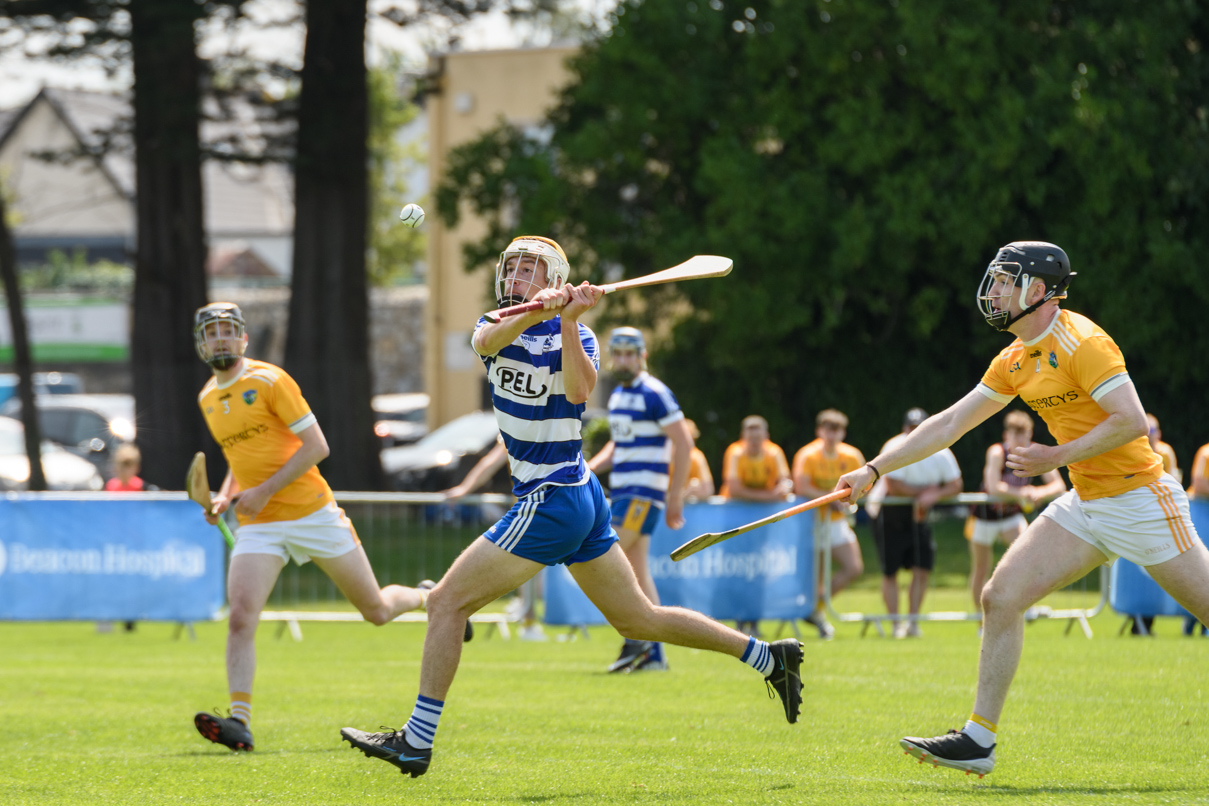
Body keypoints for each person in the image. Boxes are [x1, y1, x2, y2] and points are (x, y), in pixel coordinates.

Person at [340, 236, 804, 778]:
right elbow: (489, 340)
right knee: (640, 619)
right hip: (567, 497)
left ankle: (415, 742)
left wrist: (565, 319)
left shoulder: (579, 333)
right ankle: (768, 657)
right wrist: (539, 308)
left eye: (531, 270)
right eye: (512, 268)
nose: (517, 277)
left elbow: (581, 391)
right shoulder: (494, 323)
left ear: (554, 277)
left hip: (556, 496)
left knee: (445, 603)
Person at [835, 241, 1208, 777]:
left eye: (1006, 280)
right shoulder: (1014, 358)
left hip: (1140, 498)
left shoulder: (1084, 342)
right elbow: (947, 425)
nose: (995, 291)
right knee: (1001, 596)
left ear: (1038, 290)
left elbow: (1130, 420)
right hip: (1087, 502)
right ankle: (978, 740)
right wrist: (874, 469)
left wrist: (1055, 457)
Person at [190, 302, 434, 753]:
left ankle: (428, 597)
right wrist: (226, 496)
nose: (221, 339)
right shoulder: (208, 397)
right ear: (201, 343)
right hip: (258, 524)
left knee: (377, 611)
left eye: (228, 331)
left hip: (311, 511)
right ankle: (239, 722)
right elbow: (238, 459)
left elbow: (317, 446)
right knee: (241, 617)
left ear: (243, 339)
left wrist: (264, 489)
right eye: (212, 333)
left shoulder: (269, 380)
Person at [587, 326, 694, 672]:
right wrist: (587, 469)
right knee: (636, 572)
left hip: (642, 494)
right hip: (623, 493)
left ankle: (637, 641)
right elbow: (618, 446)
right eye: (617, 353)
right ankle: (653, 653)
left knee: (606, 561)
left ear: (642, 355)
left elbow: (684, 442)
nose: (623, 359)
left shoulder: (654, 392)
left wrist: (674, 495)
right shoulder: (618, 395)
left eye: (630, 353)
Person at [441, 438, 547, 642]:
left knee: (534, 577)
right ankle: (526, 619)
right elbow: (490, 462)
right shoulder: (517, 424)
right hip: (532, 511)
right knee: (530, 574)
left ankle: (522, 610)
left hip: (552, 510)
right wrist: (464, 488)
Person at [874, 407, 963, 639]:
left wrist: (934, 495)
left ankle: (912, 622)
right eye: (910, 428)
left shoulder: (941, 449)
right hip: (890, 512)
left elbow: (956, 484)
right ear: (904, 429)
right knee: (890, 571)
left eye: (919, 427)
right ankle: (895, 625)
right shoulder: (893, 446)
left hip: (921, 513)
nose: (914, 432)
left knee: (922, 567)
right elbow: (893, 485)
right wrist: (925, 493)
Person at [967, 410, 1065, 616]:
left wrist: (1038, 491)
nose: (1020, 440)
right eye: (1015, 434)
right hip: (985, 516)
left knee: (1025, 559)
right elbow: (994, 487)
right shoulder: (997, 453)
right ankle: (979, 618)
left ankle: (1024, 607)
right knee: (981, 568)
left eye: (1024, 434)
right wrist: (1023, 493)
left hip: (1011, 516)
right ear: (1006, 436)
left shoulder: (1034, 453)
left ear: (1030, 435)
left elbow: (1058, 485)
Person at [791, 409, 866, 639]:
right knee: (817, 574)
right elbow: (801, 487)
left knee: (854, 567)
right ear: (819, 431)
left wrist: (847, 499)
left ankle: (813, 609)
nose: (831, 435)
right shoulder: (808, 455)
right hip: (812, 522)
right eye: (827, 430)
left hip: (837, 522)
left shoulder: (852, 456)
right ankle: (815, 613)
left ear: (842, 432)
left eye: (836, 430)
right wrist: (831, 497)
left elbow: (865, 484)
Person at [721, 415, 793, 502]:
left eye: (758, 438)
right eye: (751, 438)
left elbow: (786, 483)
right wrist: (769, 496)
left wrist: (785, 488)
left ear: (766, 436)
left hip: (767, 508)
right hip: (736, 507)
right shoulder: (735, 453)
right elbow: (734, 491)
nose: (754, 443)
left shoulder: (775, 453)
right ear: (742, 437)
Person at [682, 419, 716, 500]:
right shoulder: (663, 457)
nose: (689, 443)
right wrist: (684, 494)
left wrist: (688, 493)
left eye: (692, 438)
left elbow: (708, 490)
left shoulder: (696, 456)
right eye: (684, 439)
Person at [1146, 413, 1181, 483]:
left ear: (1159, 433)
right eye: (1146, 430)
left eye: (1151, 430)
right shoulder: (1136, 451)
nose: (1148, 434)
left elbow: (1172, 476)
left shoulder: (1165, 452)